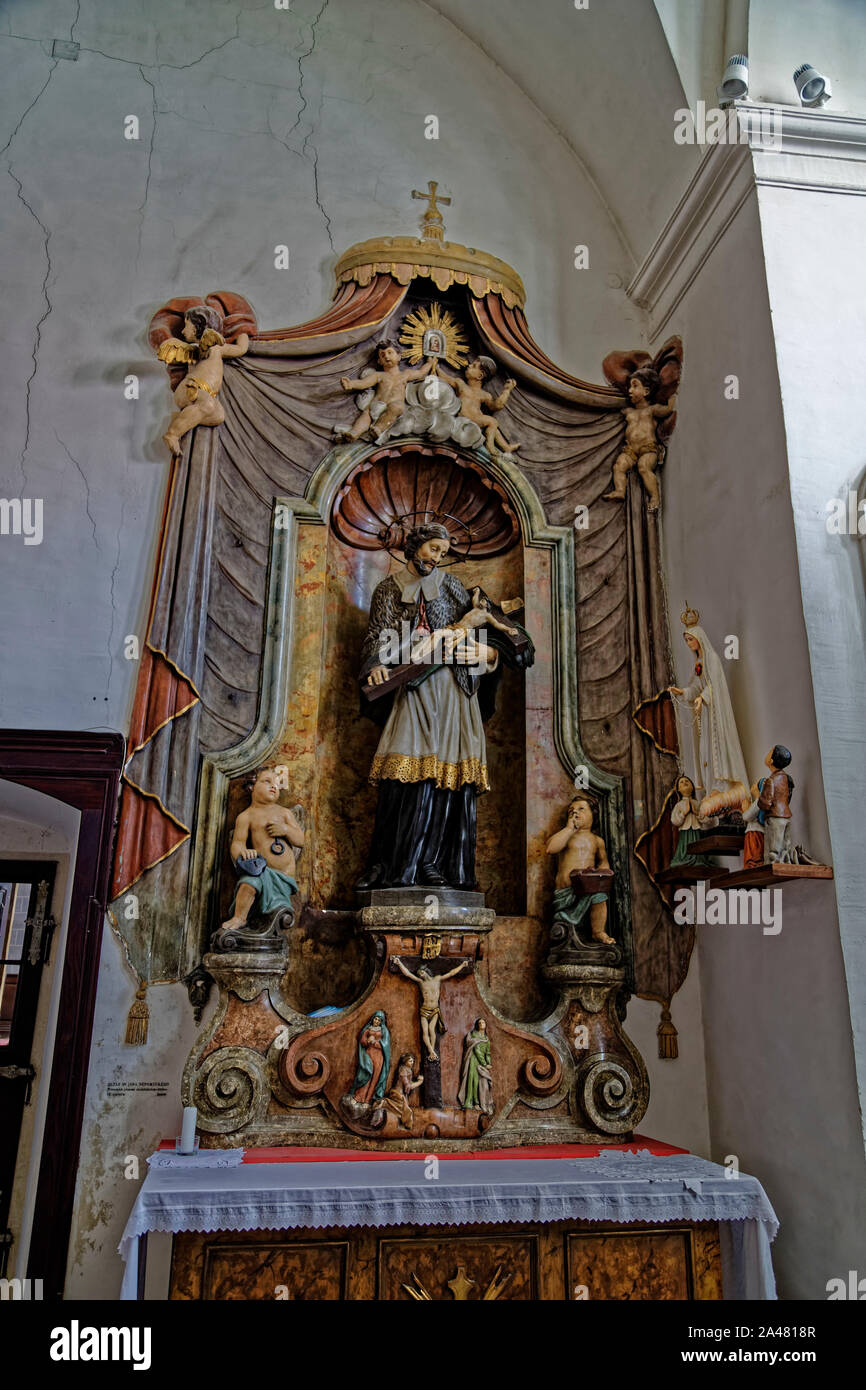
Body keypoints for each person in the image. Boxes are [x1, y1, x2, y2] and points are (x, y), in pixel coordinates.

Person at [357, 522, 533, 889]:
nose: (437, 557)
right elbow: (377, 636)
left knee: (449, 778)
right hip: (413, 689)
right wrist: (375, 666)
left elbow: (494, 629)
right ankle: (391, 865)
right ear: (414, 546)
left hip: (456, 690)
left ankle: (435, 864)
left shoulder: (453, 587)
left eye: (442, 552)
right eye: (432, 549)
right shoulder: (389, 590)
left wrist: (488, 654)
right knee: (404, 775)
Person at [667, 623, 749, 818]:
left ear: (700, 638)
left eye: (690, 639)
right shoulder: (699, 663)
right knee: (706, 751)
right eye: (686, 641)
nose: (688, 644)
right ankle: (714, 786)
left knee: (716, 749)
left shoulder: (711, 658)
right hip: (705, 713)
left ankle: (722, 785)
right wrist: (684, 692)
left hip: (716, 713)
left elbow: (716, 685)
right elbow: (696, 686)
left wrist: (703, 697)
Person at [157, 305, 250, 454]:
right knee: (207, 405)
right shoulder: (199, 349)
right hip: (191, 388)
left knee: (218, 416)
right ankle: (172, 434)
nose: (182, 331)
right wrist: (243, 334)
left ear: (197, 328)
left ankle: (182, 418)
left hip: (203, 393)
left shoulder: (216, 348)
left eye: (186, 326)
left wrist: (243, 333)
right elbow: (238, 349)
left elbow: (241, 350)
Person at [221, 767, 304, 932]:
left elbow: (301, 840)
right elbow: (237, 843)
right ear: (252, 786)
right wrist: (243, 853)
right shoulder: (246, 816)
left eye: (277, 784)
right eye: (267, 781)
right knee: (248, 883)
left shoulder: (284, 813)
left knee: (252, 882)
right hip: (261, 870)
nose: (274, 786)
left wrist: (286, 830)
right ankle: (239, 918)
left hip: (283, 876)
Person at [603, 366, 676, 511]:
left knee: (644, 467)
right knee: (619, 466)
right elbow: (613, 406)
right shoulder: (629, 411)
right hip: (631, 450)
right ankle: (620, 491)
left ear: (646, 391)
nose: (630, 390)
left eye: (635, 386)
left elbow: (668, 409)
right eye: (630, 386)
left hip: (648, 448)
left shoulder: (652, 410)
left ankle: (655, 497)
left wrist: (673, 397)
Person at [545, 794, 615, 945]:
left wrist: (602, 876)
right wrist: (569, 829)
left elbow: (603, 863)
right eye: (571, 810)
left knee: (600, 897)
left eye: (581, 809)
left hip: (587, 888)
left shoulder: (597, 841)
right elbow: (550, 848)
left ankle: (598, 932)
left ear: (593, 815)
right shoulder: (566, 836)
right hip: (567, 892)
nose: (575, 812)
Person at [336, 340, 435, 442]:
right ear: (379, 361)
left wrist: (429, 363)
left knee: (397, 407)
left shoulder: (405, 374)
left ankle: (378, 428)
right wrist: (351, 384)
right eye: (382, 355)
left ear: (399, 356)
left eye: (390, 352)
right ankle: (354, 433)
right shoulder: (379, 375)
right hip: (376, 405)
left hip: (394, 405)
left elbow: (421, 373)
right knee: (366, 415)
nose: (386, 356)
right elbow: (363, 383)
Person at [435, 356, 518, 455]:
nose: (469, 365)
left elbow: (496, 406)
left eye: (474, 366)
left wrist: (507, 391)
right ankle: (491, 446)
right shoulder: (461, 384)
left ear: (480, 376)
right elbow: (445, 377)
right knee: (492, 422)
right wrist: (435, 366)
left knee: (493, 427)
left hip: (475, 419)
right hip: (464, 417)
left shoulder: (484, 395)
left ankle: (503, 447)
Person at [392, 957, 470, 1060]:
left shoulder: (437, 979)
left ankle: (432, 1052)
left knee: (431, 1030)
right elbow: (408, 974)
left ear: (426, 971)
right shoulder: (421, 982)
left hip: (434, 1010)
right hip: (425, 1010)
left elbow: (451, 973)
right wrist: (399, 963)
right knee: (425, 1031)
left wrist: (462, 965)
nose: (420, 975)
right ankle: (431, 1051)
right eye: (419, 974)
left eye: (422, 973)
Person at [670, 774, 717, 867]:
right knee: (685, 848)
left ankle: (698, 859)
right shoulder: (679, 805)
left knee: (698, 847)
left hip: (696, 832)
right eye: (682, 782)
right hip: (685, 832)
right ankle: (684, 858)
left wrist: (696, 813)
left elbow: (707, 819)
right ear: (678, 790)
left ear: (692, 787)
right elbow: (674, 820)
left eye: (687, 781)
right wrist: (684, 813)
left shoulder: (698, 804)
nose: (685, 783)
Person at [349, 1012, 391, 1105]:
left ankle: (367, 1101)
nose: (376, 1021)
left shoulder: (384, 1030)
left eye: (379, 1020)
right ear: (373, 1019)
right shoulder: (368, 1029)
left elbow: (386, 1045)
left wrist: (375, 1042)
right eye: (375, 1019)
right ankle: (358, 1097)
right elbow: (362, 1041)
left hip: (379, 1057)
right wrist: (367, 1041)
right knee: (366, 1074)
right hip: (368, 1054)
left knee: (374, 1078)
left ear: (381, 1022)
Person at [457, 1019, 494, 1114]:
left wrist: (489, 1063)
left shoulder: (486, 1038)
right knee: (473, 1080)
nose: (481, 1024)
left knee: (481, 1083)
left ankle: (481, 1102)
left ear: (486, 1025)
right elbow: (477, 1050)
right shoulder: (474, 1034)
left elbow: (488, 1053)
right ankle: (472, 1102)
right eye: (479, 1023)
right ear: (477, 1025)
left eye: (483, 1022)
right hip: (473, 1060)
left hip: (482, 1063)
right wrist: (484, 1064)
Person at [382, 1053, 424, 1128]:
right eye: (410, 1061)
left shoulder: (408, 1070)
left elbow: (409, 1084)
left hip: (402, 1095)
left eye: (413, 1061)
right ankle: (385, 1103)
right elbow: (408, 1086)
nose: (412, 1063)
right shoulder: (403, 1069)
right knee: (407, 1112)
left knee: (405, 1110)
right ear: (405, 1061)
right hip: (397, 1094)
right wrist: (419, 1082)